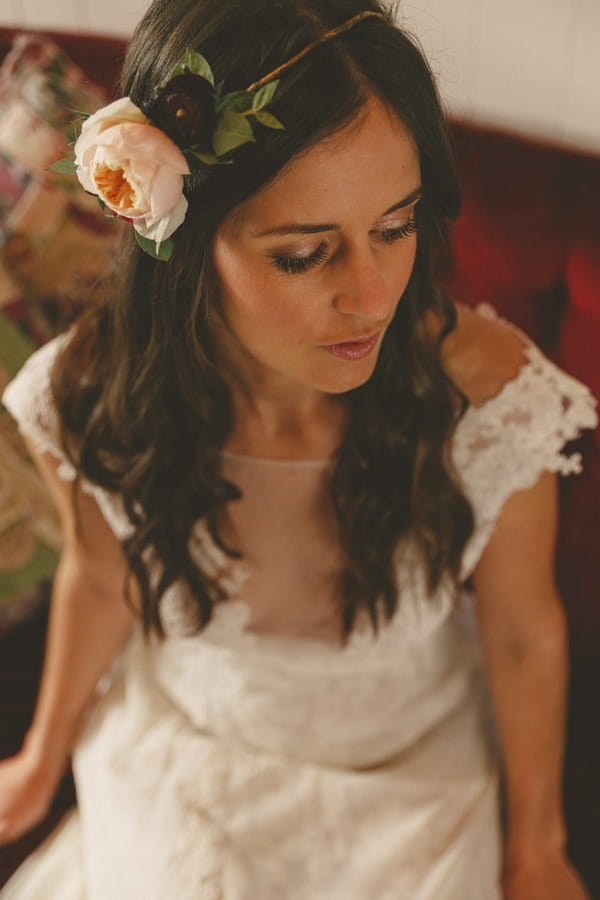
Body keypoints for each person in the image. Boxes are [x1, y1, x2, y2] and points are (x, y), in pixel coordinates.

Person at [0, 1, 596, 897]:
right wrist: (43, 759)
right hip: (189, 750)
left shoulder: (489, 394)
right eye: (305, 255)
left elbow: (521, 631)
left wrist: (538, 846)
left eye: (395, 229)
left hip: (414, 777)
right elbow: (99, 575)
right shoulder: (86, 397)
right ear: (190, 247)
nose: (372, 295)